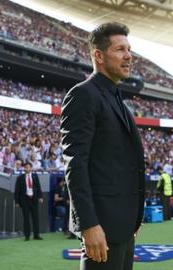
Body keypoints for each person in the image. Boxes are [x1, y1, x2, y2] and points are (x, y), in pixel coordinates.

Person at [60, 22, 145, 270]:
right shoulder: (83, 94)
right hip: (101, 226)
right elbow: (75, 163)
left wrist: (132, 219)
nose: (128, 56)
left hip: (123, 225)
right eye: (120, 49)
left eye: (129, 49)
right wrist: (88, 224)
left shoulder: (117, 99)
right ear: (98, 55)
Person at [14, 162, 44, 241]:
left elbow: (38, 187)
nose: (27, 168)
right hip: (25, 200)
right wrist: (16, 201)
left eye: (28, 167)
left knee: (35, 217)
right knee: (26, 218)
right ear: (24, 168)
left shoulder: (35, 176)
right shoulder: (20, 178)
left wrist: (40, 197)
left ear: (31, 168)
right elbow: (17, 190)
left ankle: (36, 234)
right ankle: (27, 235)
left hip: (34, 199)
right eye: (25, 167)